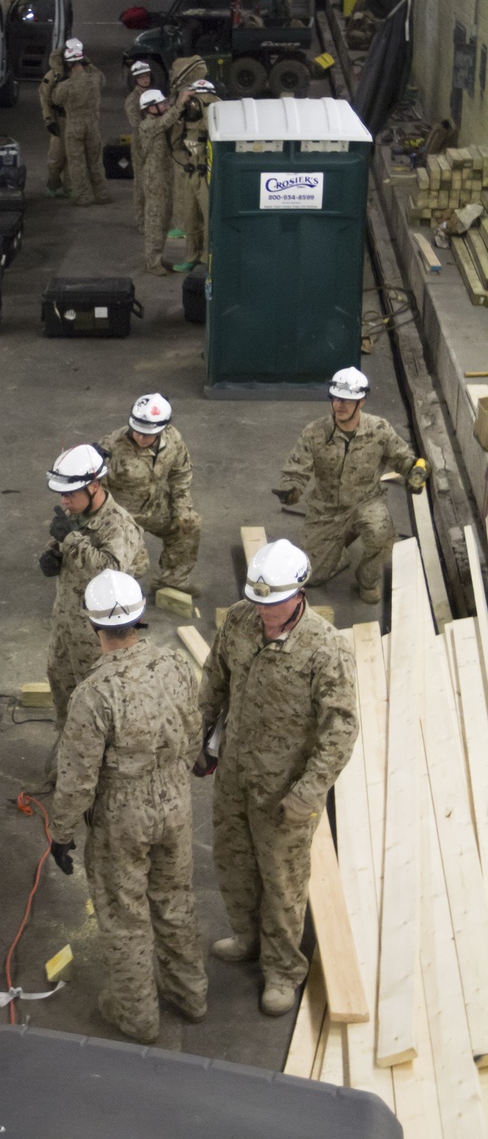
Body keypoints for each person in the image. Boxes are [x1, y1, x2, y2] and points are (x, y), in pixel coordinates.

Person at [198, 539, 358, 1016]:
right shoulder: (241, 621)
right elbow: (214, 680)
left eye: (275, 603)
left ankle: (283, 971)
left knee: (283, 882)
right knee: (233, 862)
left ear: (300, 592)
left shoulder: (326, 649)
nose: (265, 613)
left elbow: (342, 728)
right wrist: (199, 736)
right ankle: (247, 937)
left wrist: (308, 792)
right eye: (259, 601)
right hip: (236, 774)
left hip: (285, 791)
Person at [48, 572, 207, 1042]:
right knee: (175, 899)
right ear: (139, 618)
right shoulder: (177, 666)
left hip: (123, 814)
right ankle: (191, 995)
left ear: (94, 627)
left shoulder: (93, 693)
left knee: (124, 914)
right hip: (176, 800)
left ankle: (137, 1016)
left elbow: (77, 779)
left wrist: (61, 832)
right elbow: (194, 730)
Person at [273, 367, 427, 603]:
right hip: (326, 508)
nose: (338, 405)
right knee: (311, 577)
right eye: (335, 398)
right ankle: (339, 551)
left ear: (362, 401)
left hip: (366, 501)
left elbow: (403, 458)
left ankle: (367, 579)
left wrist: (415, 471)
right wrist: (291, 489)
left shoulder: (379, 430)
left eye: (346, 400)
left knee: (381, 532)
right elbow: (296, 469)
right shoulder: (315, 433)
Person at [39, 444, 149, 736]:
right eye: (61, 494)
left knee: (97, 701)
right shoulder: (76, 514)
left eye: (70, 494)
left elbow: (111, 571)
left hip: (98, 634)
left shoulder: (119, 525)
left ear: (94, 486)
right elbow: (69, 548)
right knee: (62, 687)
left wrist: (71, 540)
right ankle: (67, 748)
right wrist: (53, 555)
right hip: (65, 623)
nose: (64, 501)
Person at [101, 394, 201, 597]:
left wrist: (181, 509)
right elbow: (92, 492)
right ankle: (110, 598)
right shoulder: (110, 448)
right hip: (120, 515)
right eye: (137, 431)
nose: (140, 437)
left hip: (154, 506)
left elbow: (180, 473)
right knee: (138, 565)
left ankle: (172, 581)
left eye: (147, 434)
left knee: (189, 524)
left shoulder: (172, 439)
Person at [164, 67, 219, 273]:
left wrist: (206, 106)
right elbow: (175, 144)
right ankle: (191, 256)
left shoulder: (215, 117)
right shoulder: (186, 117)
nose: (197, 104)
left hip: (207, 174)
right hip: (190, 171)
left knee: (208, 217)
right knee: (190, 216)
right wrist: (183, 111)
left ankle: (207, 258)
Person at [51, 39, 111, 207]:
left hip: (74, 125)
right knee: (95, 161)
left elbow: (55, 99)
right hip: (92, 124)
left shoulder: (66, 86)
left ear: (69, 65)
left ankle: (83, 197)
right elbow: (101, 77)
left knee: (77, 163)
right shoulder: (95, 78)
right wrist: (88, 63)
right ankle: (102, 194)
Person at [135, 88, 174, 275]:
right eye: (161, 104)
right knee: (154, 220)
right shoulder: (147, 125)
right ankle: (152, 261)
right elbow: (167, 120)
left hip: (164, 175)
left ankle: (158, 256)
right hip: (154, 177)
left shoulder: (158, 122)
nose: (165, 106)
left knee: (165, 217)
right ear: (150, 109)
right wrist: (181, 102)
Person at [123, 60, 152, 227]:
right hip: (140, 144)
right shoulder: (132, 100)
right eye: (141, 77)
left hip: (154, 144)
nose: (145, 80)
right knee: (141, 182)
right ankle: (142, 220)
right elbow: (136, 123)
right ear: (135, 79)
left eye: (147, 76)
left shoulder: (154, 94)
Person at [39, 47, 69, 198]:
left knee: (73, 157)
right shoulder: (52, 76)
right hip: (59, 119)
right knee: (56, 156)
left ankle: (70, 187)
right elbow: (45, 99)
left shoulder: (79, 74)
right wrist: (48, 119)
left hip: (75, 120)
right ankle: (53, 184)